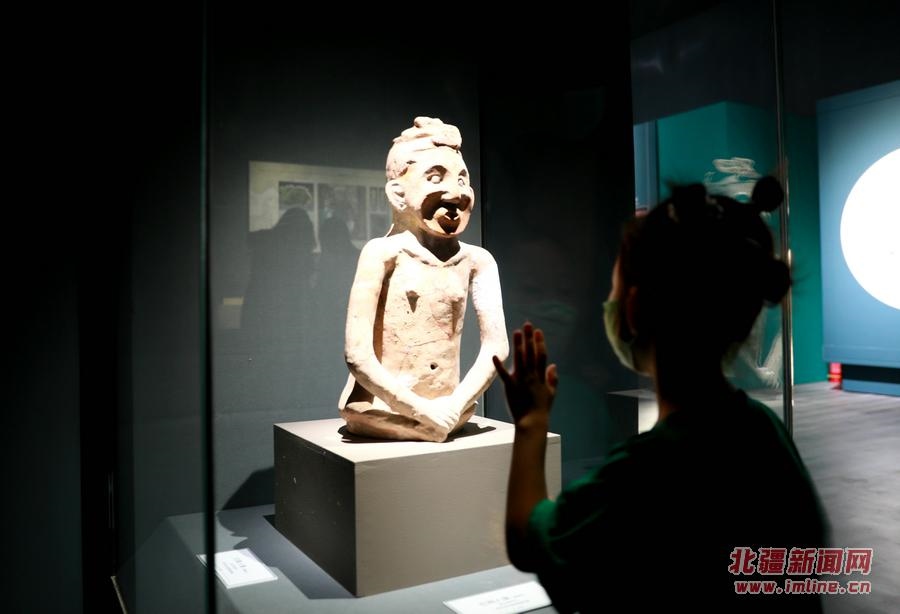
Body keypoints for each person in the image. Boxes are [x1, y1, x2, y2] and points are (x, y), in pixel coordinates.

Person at [493, 178, 828, 612]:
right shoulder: (763, 429)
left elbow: (531, 541)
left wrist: (531, 422)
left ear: (632, 309)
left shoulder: (646, 470)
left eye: (613, 289)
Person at [338, 117, 508, 442]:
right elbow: (357, 355)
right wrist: (421, 411)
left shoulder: (478, 261)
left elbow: (496, 348)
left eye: (463, 179)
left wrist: (455, 404)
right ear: (398, 194)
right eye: (435, 177)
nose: (456, 192)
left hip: (452, 409)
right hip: (379, 410)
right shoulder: (382, 254)